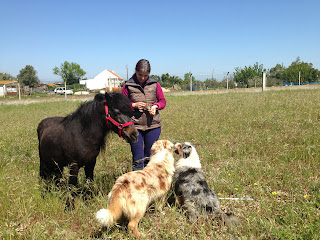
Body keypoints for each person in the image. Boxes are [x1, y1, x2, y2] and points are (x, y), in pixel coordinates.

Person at [121, 59, 166, 171]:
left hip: (153, 126)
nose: (142, 78)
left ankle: (148, 185)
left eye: (146, 75)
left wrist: (156, 106)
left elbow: (162, 101)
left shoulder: (155, 84)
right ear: (135, 71)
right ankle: (137, 185)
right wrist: (134, 105)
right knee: (138, 159)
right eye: (140, 75)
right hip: (134, 126)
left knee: (150, 158)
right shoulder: (128, 85)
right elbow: (121, 105)